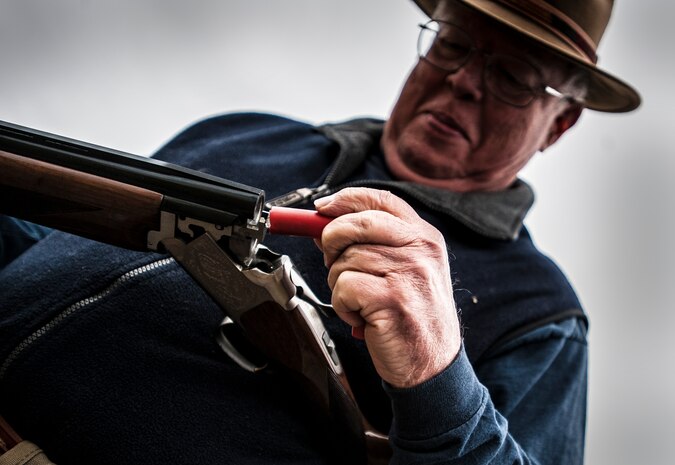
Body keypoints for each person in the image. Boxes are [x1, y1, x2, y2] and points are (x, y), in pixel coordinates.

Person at [0, 0, 640, 464]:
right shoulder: (247, 128)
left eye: (513, 77)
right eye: (454, 42)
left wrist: (438, 375)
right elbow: (69, 262)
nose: (464, 80)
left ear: (559, 125)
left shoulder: (543, 314)